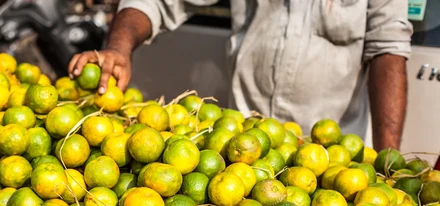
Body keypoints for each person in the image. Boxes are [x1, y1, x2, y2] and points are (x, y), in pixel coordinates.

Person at [68, 1, 413, 150]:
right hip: (238, 146)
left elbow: (389, 49)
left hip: (328, 166)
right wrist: (119, 46)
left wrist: (388, 161)